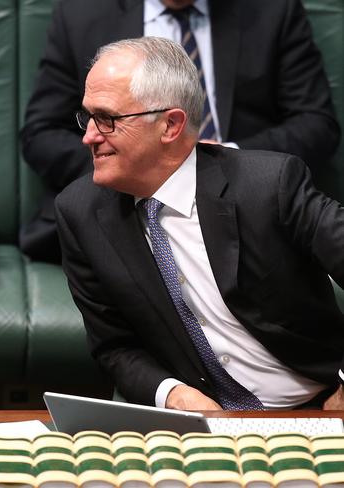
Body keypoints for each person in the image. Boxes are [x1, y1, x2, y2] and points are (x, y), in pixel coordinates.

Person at [55, 36, 344, 411]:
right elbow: (115, 345)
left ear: (170, 125)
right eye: (87, 117)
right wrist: (173, 394)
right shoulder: (81, 213)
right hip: (198, 421)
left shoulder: (269, 185)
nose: (89, 136)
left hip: (315, 406)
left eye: (107, 119)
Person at [21, 0, 341, 263]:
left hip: (245, 213)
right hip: (125, 211)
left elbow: (316, 124)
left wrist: (220, 162)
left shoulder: (272, 11)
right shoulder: (83, 13)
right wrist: (140, 167)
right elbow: (41, 134)